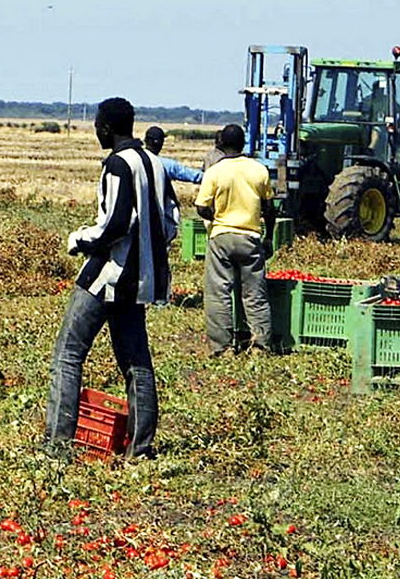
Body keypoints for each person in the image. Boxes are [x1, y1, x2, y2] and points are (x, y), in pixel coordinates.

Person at [44, 98, 179, 460]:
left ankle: (57, 447)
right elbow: (171, 222)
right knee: (136, 362)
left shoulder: (117, 165)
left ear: (105, 127)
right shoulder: (155, 162)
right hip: (141, 280)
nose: (96, 131)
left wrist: (81, 239)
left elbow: (116, 224)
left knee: (68, 356)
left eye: (97, 125)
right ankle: (140, 448)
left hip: (107, 276)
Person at [194, 123, 276, 355]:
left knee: (218, 293)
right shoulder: (258, 170)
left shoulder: (215, 172)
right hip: (250, 237)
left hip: (222, 237)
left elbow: (201, 208)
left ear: (221, 144)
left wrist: (216, 217)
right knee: (255, 294)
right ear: (243, 144)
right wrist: (268, 238)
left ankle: (222, 348)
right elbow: (269, 209)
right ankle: (260, 345)